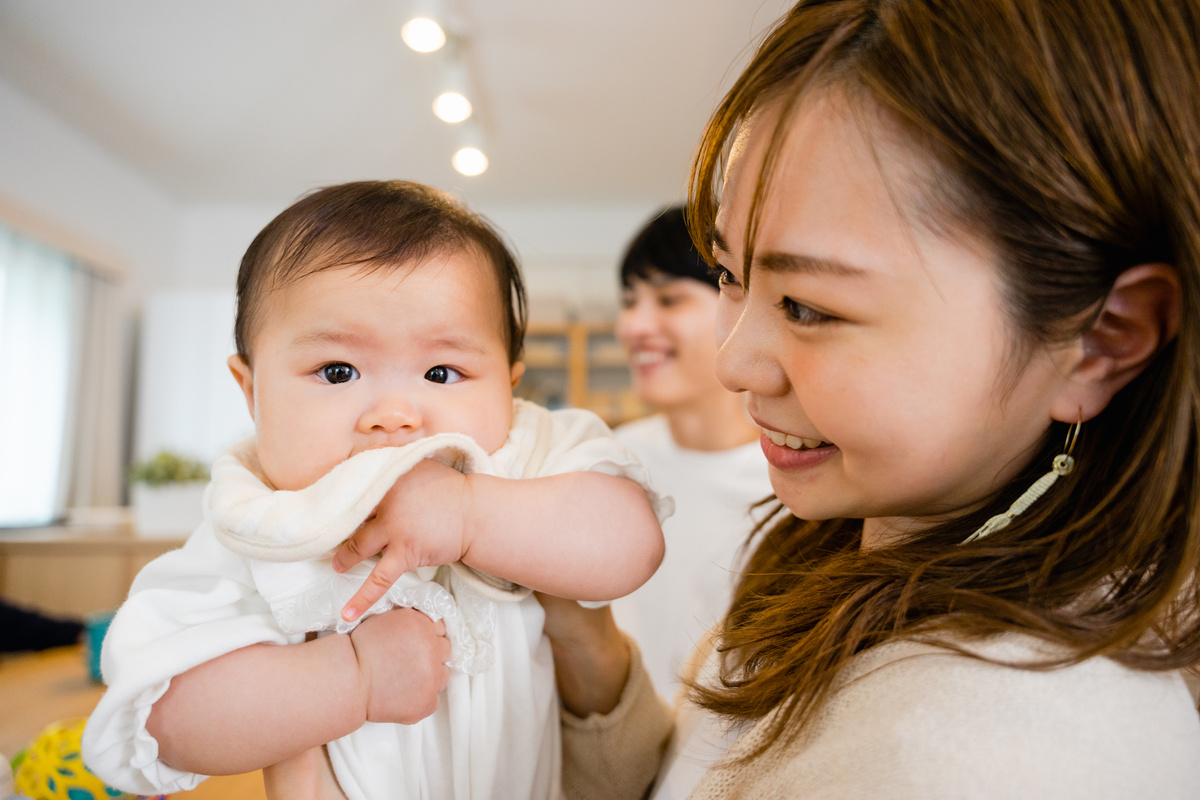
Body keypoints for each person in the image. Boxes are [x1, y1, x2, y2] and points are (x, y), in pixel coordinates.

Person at [549, 1, 1200, 797]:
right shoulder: (841, 542)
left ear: (1103, 339)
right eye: (729, 275)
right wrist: (583, 644)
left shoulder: (999, 756)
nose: (735, 363)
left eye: (810, 308)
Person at [82, 180, 669, 800]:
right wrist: (349, 678)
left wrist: (472, 513)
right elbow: (156, 723)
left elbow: (632, 542)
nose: (394, 414)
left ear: (509, 387)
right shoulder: (265, 521)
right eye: (337, 371)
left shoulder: (529, 452)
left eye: (442, 372)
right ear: (251, 392)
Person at [609, 206, 770, 697]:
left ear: (737, 301)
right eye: (629, 300)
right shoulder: (610, 462)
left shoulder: (792, 485)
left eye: (669, 299)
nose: (634, 326)